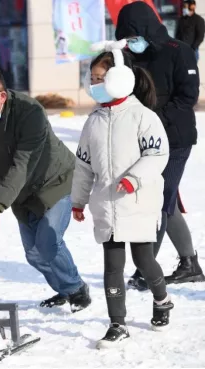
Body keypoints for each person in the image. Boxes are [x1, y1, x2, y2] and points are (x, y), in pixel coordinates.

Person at [0, 65, 91, 312]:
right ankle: (65, 289)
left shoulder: (30, 112)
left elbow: (23, 164)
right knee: (33, 254)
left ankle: (76, 289)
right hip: (21, 192)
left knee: (48, 243)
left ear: (0, 95)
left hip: (56, 181)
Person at [72, 42, 173, 348]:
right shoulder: (94, 121)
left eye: (100, 78)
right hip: (107, 204)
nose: (94, 84)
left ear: (119, 79)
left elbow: (158, 154)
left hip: (138, 202)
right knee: (113, 266)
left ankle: (162, 299)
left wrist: (133, 179)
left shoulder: (143, 117)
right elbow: (83, 165)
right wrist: (78, 200)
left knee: (144, 261)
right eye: (92, 78)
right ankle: (118, 324)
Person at [116, 1, 204, 289]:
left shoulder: (180, 52)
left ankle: (145, 268)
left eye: (134, 37)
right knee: (168, 202)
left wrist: (153, 120)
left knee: (158, 202)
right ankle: (189, 263)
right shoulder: (129, 57)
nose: (131, 43)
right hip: (144, 141)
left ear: (147, 28)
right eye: (127, 39)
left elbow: (187, 97)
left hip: (176, 140)